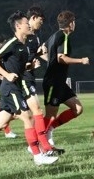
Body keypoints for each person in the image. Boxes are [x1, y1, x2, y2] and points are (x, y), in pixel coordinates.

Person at [0, 11, 59, 166]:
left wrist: (31, 65)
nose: (28, 25)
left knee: (0, 123)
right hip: (10, 88)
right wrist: (6, 74)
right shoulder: (12, 43)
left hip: (16, 87)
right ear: (18, 26)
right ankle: (37, 155)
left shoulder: (24, 47)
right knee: (28, 117)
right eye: (26, 23)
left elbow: (21, 67)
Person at [43, 10, 90, 146]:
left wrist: (48, 60)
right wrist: (81, 60)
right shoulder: (63, 36)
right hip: (53, 81)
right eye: (74, 22)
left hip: (60, 82)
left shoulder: (54, 36)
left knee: (78, 109)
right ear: (71, 23)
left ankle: (50, 130)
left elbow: (42, 49)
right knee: (50, 115)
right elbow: (61, 58)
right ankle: (36, 142)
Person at [22, 6, 64, 155]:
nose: (42, 23)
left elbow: (35, 54)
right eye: (41, 20)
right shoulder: (23, 36)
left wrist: (49, 59)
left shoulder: (36, 37)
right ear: (33, 18)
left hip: (30, 77)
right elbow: (20, 59)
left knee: (3, 119)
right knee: (37, 112)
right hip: (22, 79)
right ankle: (44, 147)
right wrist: (30, 65)